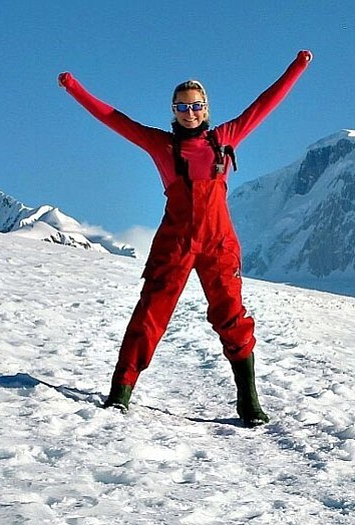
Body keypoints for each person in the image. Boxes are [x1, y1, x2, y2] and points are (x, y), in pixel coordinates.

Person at [58, 50, 312, 427]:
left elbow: (265, 104)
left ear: (205, 108)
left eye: (195, 106)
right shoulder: (160, 145)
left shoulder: (224, 138)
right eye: (181, 106)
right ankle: (120, 392)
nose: (189, 112)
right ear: (173, 110)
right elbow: (114, 118)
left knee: (233, 320)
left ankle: (249, 402)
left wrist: (297, 66)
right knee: (150, 315)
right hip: (174, 243)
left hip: (219, 244)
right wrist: (73, 87)